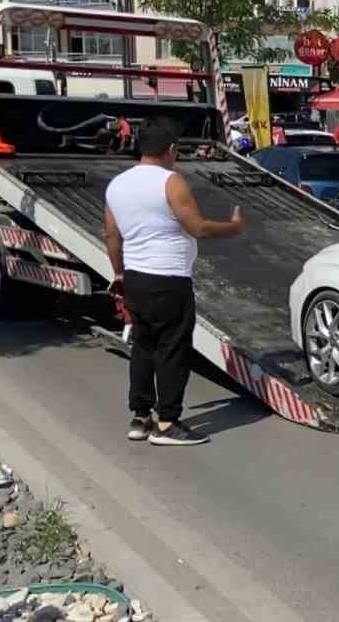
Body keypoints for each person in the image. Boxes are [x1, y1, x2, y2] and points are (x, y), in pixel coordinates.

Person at [103, 119, 247, 447]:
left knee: (143, 346)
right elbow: (197, 227)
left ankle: (140, 417)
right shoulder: (171, 181)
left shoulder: (117, 185)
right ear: (171, 149)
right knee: (171, 349)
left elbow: (111, 235)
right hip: (168, 278)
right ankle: (167, 423)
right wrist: (234, 227)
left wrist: (120, 274)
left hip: (136, 277)